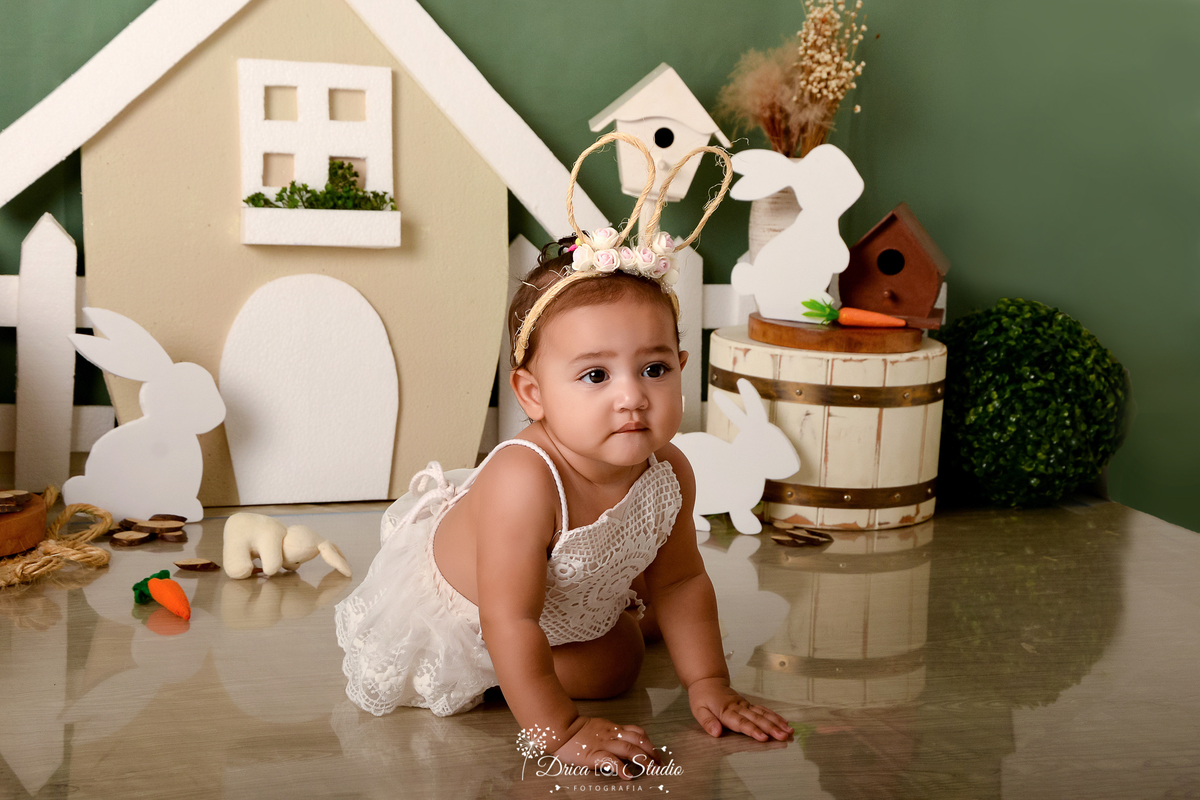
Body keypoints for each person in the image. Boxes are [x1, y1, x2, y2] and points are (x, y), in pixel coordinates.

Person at [335, 133, 793, 779]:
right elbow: (511, 616)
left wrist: (709, 683)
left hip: (557, 597)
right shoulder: (525, 481)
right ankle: (506, 681)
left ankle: (619, 609)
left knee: (638, 637)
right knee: (596, 670)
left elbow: (684, 579)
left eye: (655, 368)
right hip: (479, 612)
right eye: (595, 376)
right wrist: (560, 730)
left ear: (683, 368)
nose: (632, 397)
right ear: (533, 394)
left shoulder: (671, 473)